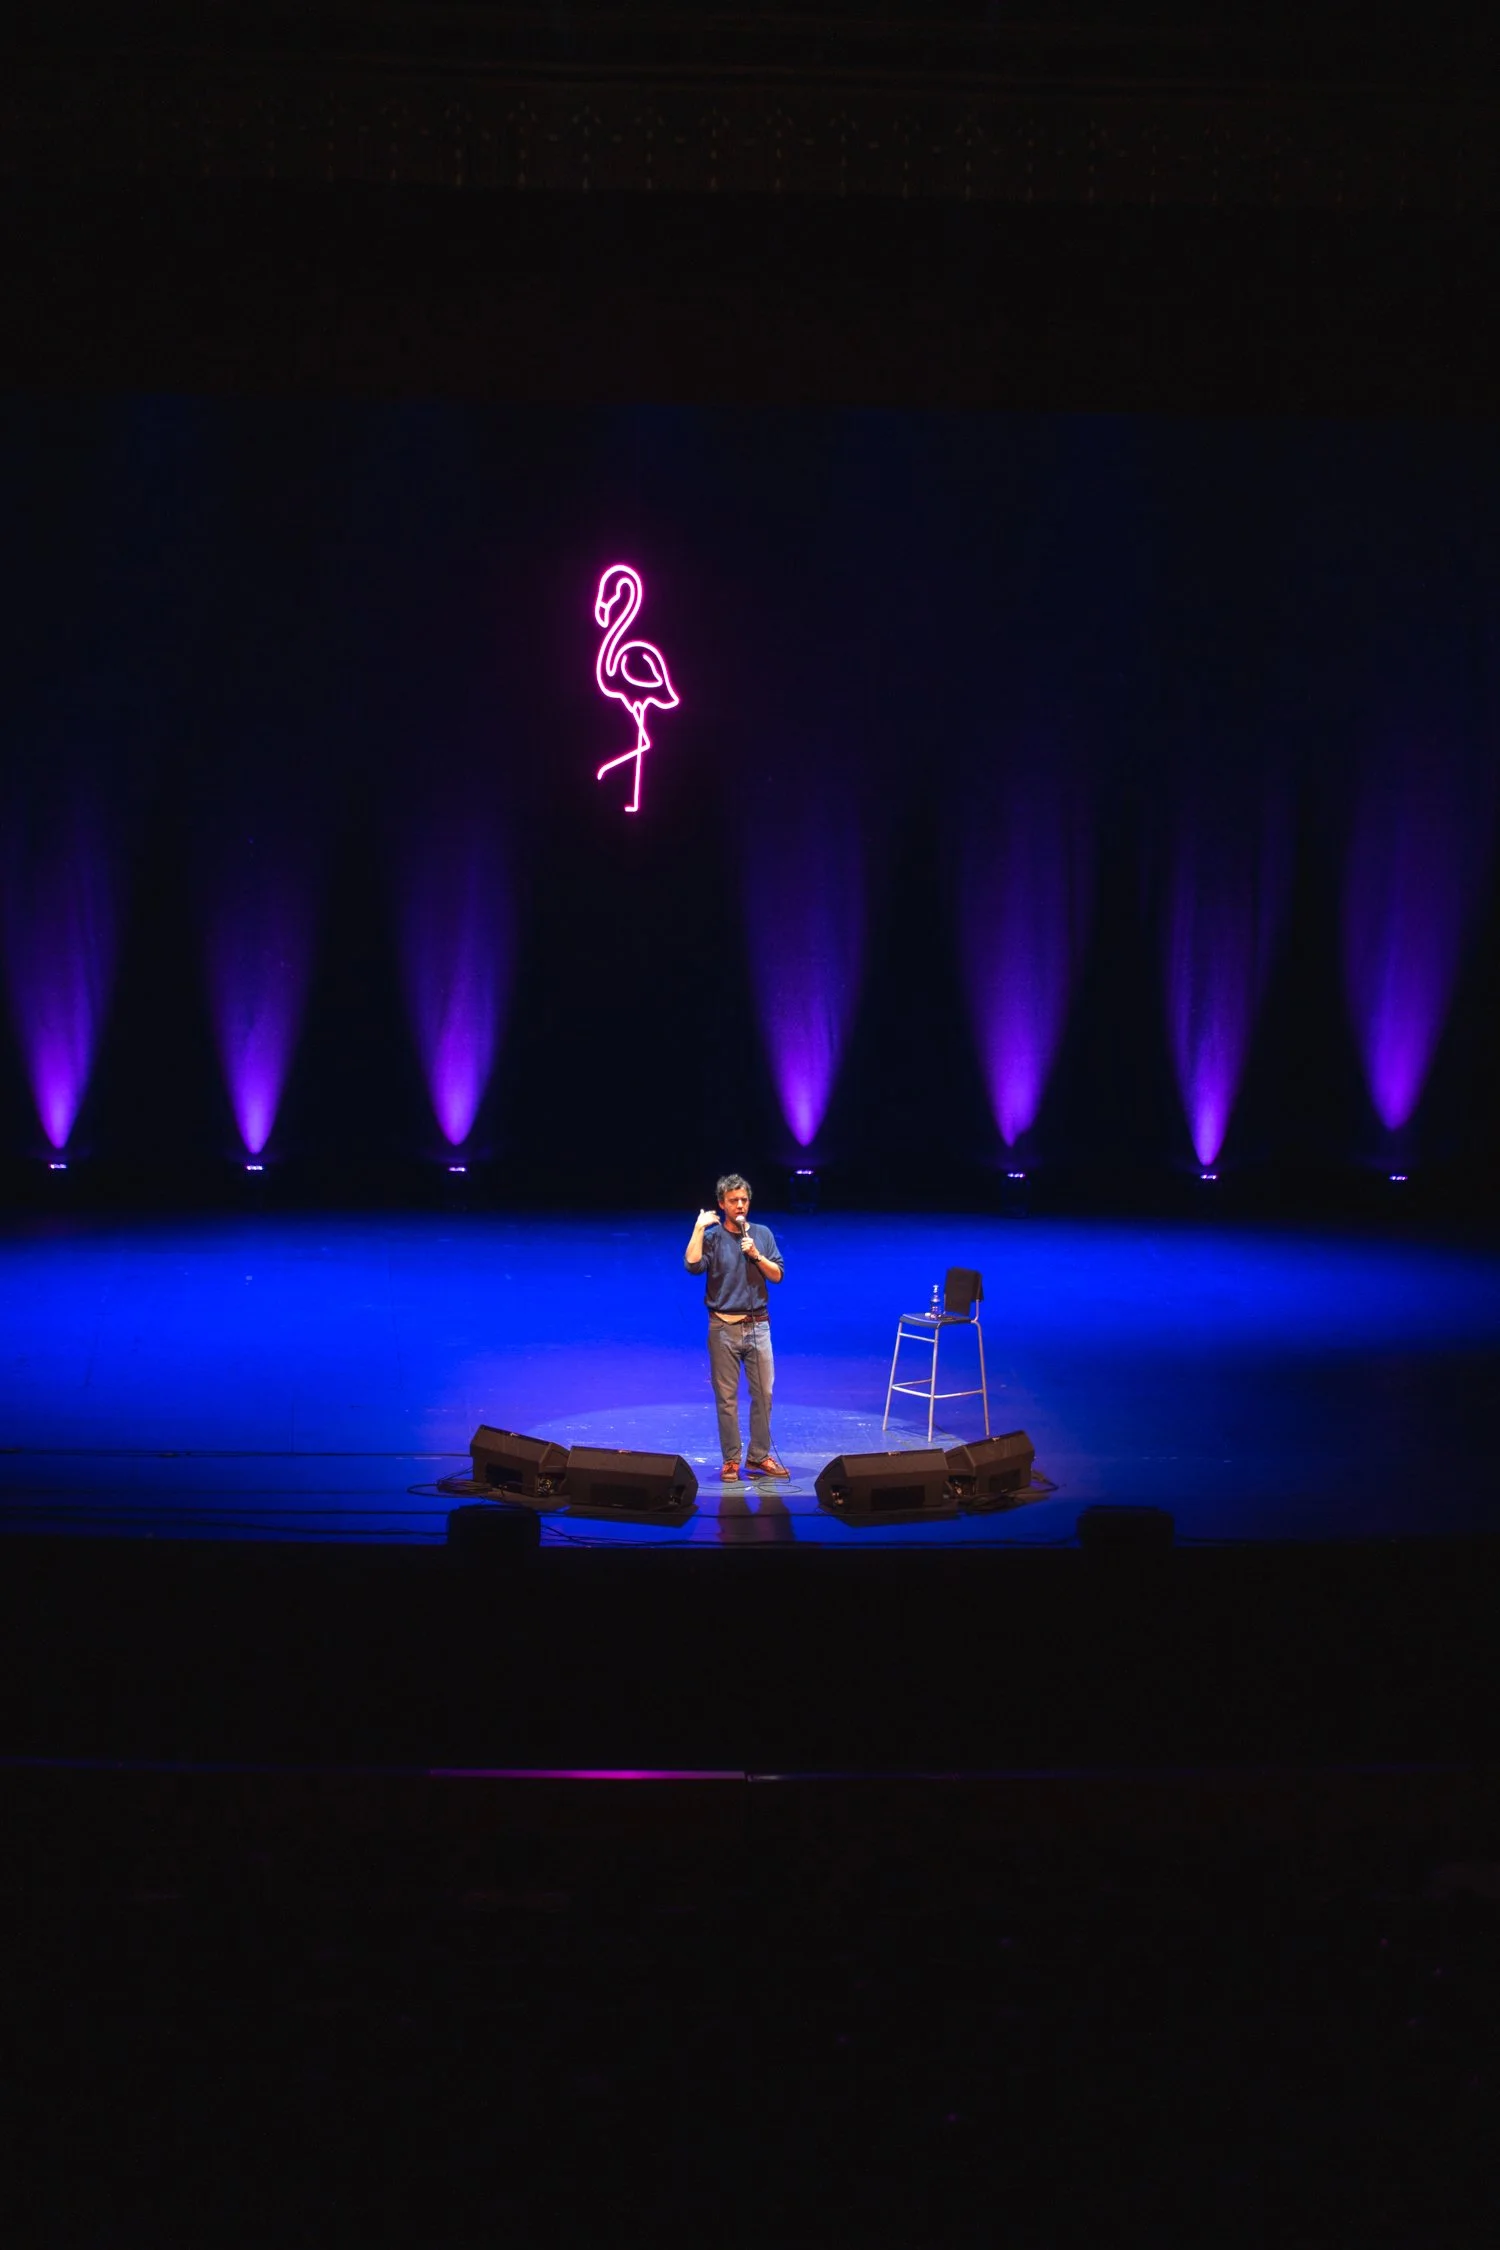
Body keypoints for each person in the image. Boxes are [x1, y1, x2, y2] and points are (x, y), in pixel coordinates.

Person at [684, 1174, 789, 1481]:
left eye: (744, 1199)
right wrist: (699, 1228)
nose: (740, 1205)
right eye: (733, 1200)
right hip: (723, 1329)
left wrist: (755, 1254)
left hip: (758, 1327)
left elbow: (778, 1275)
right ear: (722, 1204)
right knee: (726, 1398)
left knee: (764, 1394)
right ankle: (731, 1459)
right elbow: (692, 1265)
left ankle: (758, 1457)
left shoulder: (762, 1234)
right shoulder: (713, 1238)